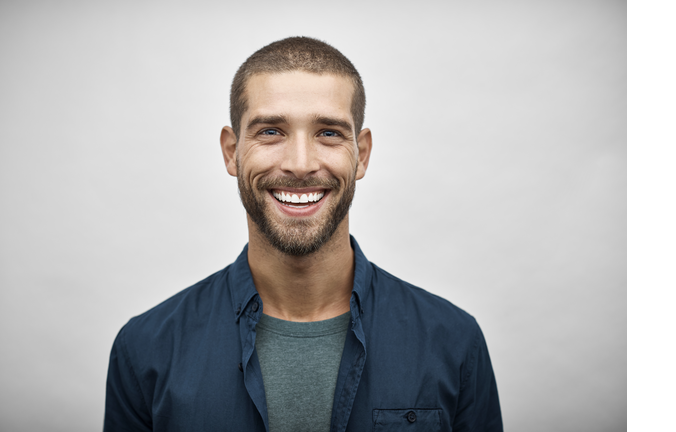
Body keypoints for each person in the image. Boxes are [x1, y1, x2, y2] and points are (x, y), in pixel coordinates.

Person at [104, 36, 502, 432]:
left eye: (328, 132)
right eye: (271, 131)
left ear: (361, 155)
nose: (299, 164)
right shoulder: (145, 350)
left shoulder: (453, 341)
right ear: (231, 151)